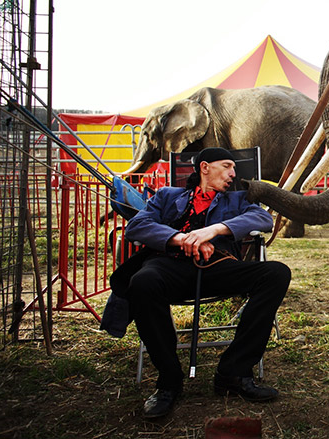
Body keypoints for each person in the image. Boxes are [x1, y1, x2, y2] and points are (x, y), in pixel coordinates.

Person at [112, 147, 291, 419]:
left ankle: (234, 372)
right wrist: (181, 238)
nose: (233, 173)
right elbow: (137, 226)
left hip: (218, 267)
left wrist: (213, 231)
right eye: (227, 166)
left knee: (276, 273)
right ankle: (169, 382)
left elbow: (262, 218)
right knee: (143, 281)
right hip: (169, 266)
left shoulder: (237, 199)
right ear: (204, 167)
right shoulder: (167, 195)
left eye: (234, 168)